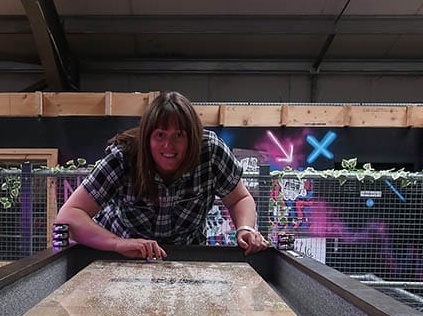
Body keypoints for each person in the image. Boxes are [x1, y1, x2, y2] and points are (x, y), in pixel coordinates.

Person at [55, 91, 268, 259]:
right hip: (122, 254)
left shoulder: (212, 152)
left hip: (187, 255)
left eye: (179, 135)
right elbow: (69, 215)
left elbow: (240, 198)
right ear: (147, 137)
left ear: (192, 137)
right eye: (160, 135)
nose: (168, 145)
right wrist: (118, 244)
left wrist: (245, 228)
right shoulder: (123, 157)